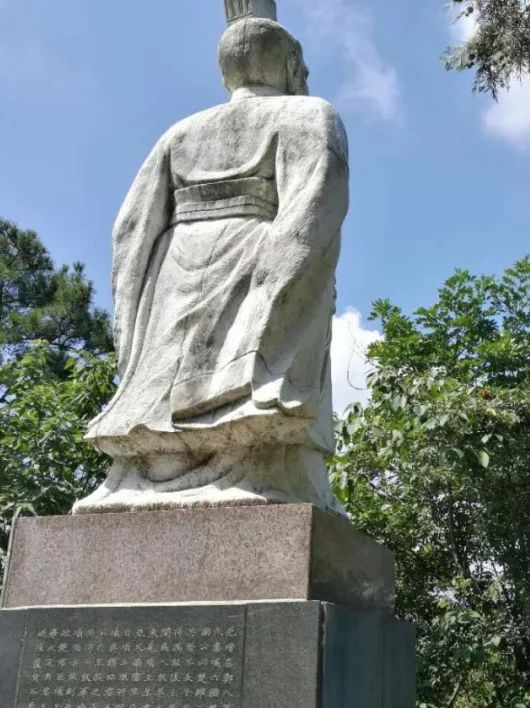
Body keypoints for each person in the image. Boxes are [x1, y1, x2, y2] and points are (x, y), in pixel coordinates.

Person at [75, 13, 349, 514]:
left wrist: (130, 315)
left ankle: (145, 478)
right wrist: (276, 300)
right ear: (290, 65)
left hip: (173, 271)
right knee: (243, 396)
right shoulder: (308, 115)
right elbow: (314, 209)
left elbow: (131, 230)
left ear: (228, 75)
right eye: (302, 67)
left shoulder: (178, 134)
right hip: (253, 255)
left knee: (160, 397)